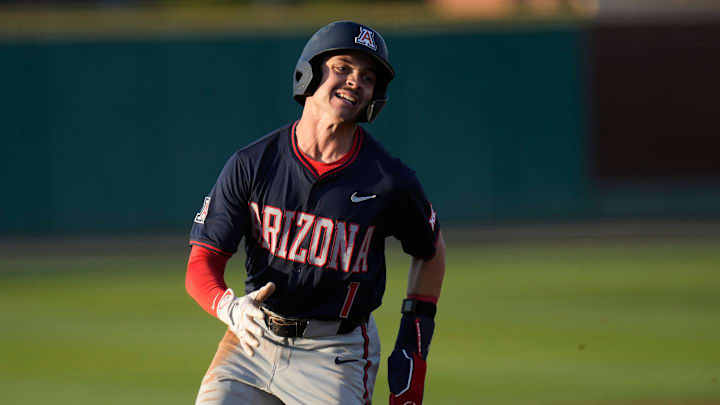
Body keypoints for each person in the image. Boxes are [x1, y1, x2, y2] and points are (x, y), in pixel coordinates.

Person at [185, 20, 446, 405]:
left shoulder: (389, 181)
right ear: (309, 73)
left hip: (334, 354)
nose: (356, 81)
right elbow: (201, 261)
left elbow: (430, 250)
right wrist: (228, 307)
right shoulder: (253, 164)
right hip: (252, 341)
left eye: (368, 77)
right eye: (343, 68)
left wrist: (413, 343)